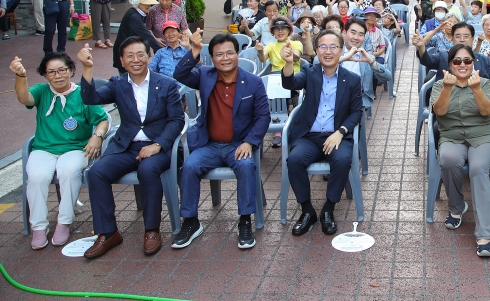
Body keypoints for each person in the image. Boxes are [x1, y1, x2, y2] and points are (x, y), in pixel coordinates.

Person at [78, 37, 184, 258]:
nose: (135, 60)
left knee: (148, 170)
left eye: (140, 55)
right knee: (96, 172)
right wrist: (87, 68)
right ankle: (108, 233)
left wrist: (158, 145)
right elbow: (91, 98)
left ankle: (152, 230)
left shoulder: (167, 83)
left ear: (149, 56)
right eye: (130, 56)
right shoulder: (118, 84)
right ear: (122, 60)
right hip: (126, 146)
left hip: (158, 146)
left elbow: (177, 120)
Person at [171, 32, 270, 250]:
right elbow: (180, 73)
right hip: (210, 144)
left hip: (238, 144)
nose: (225, 58)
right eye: (218, 55)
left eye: (229, 53)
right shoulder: (205, 76)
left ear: (237, 54)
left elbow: (263, 117)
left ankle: (245, 221)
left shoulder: (252, 82)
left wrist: (250, 142)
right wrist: (195, 50)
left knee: (246, 167)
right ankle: (191, 221)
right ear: (212, 58)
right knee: (189, 166)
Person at [10, 52, 108, 249]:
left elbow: (102, 120)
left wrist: (97, 137)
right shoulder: (42, 91)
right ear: (45, 75)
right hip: (44, 148)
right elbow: (24, 98)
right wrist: (20, 76)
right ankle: (38, 226)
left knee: (69, 172)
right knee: (36, 177)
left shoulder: (82, 94)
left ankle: (64, 222)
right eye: (51, 72)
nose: (57, 75)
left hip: (74, 148)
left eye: (62, 70)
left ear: (71, 71)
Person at [281, 29, 362, 236]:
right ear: (316, 51)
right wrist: (289, 63)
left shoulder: (352, 79)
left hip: (336, 135)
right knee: (295, 160)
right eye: (323, 46)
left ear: (341, 50)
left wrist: (341, 132)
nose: (328, 51)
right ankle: (307, 210)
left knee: (343, 160)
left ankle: (329, 208)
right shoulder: (310, 73)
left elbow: (356, 112)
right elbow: (289, 83)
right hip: (309, 135)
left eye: (333, 46)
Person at [431, 44, 490, 258]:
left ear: (473, 63)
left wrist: (477, 88)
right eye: (457, 61)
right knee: (448, 160)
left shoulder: (484, 82)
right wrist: (448, 88)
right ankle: (457, 207)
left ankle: (484, 234)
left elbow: (487, 110)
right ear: (450, 65)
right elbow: (439, 112)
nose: (462, 64)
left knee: (478, 168)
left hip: (482, 137)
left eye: (467, 60)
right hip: (452, 135)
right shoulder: (440, 85)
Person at [413, 22, 490, 126]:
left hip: (478, 110)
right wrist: (421, 47)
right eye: (458, 36)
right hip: (449, 112)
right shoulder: (443, 56)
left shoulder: (483, 60)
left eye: (466, 36)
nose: (462, 39)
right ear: (452, 38)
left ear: (473, 39)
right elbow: (427, 61)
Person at [113, 0, 162, 73]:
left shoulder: (139, 13)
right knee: (127, 81)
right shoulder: (134, 17)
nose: (149, 6)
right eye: (146, 3)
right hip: (125, 54)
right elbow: (147, 36)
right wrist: (162, 52)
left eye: (150, 3)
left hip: (130, 52)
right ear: (138, 2)